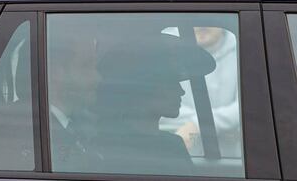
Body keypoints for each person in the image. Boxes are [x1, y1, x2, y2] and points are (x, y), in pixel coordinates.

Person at [93, 30, 217, 175]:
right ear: (142, 88)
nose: (181, 91)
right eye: (171, 82)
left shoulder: (173, 144)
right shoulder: (112, 151)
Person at [159, 27, 241, 157]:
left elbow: (246, 108)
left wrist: (196, 125)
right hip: (178, 158)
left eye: (207, 20)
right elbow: (158, 103)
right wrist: (223, 124)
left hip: (233, 162)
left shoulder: (244, 47)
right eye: (195, 20)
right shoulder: (165, 46)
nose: (202, 26)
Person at [47, 29, 102, 172]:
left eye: (95, 67)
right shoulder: (26, 136)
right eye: (86, 66)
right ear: (56, 73)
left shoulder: (83, 126)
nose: (98, 78)